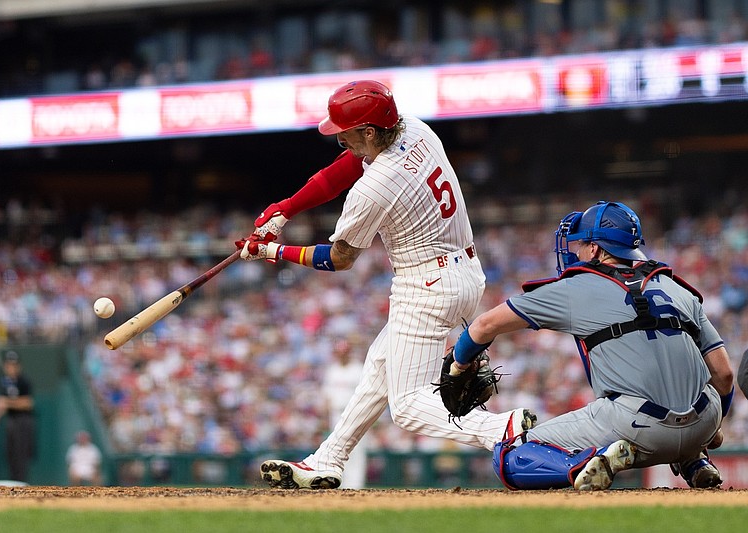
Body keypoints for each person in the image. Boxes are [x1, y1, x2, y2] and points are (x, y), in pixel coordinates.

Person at [237, 79, 535, 489]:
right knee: (380, 367)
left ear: (370, 131)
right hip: (464, 271)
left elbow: (339, 258)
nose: (339, 138)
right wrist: (285, 209)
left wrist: (273, 253)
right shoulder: (414, 128)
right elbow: (344, 168)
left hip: (426, 284)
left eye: (347, 132)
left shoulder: (376, 187)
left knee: (409, 405)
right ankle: (329, 460)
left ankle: (498, 429)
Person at [449, 201, 735, 491]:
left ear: (596, 250)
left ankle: (592, 463)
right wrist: (711, 427)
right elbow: (724, 375)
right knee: (683, 409)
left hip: (635, 427)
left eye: (580, 245)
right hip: (704, 419)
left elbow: (484, 326)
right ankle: (693, 459)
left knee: (510, 455)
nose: (574, 252)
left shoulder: (576, 288)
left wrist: (459, 364)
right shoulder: (680, 289)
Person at [322, 339, 367, 489]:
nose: (342, 356)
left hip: (355, 415)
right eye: (339, 353)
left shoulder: (358, 369)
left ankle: (356, 485)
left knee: (356, 450)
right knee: (336, 448)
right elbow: (327, 396)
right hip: (336, 414)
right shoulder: (332, 370)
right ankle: (339, 483)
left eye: (344, 353)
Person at [0, 350, 36, 483]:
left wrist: (5, 402)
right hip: (11, 420)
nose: (11, 368)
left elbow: (28, 403)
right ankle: (13, 483)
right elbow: (3, 405)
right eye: (8, 365)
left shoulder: (24, 381)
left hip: (23, 421)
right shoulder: (4, 382)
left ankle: (20, 483)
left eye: (14, 365)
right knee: (10, 454)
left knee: (21, 455)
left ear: (19, 366)